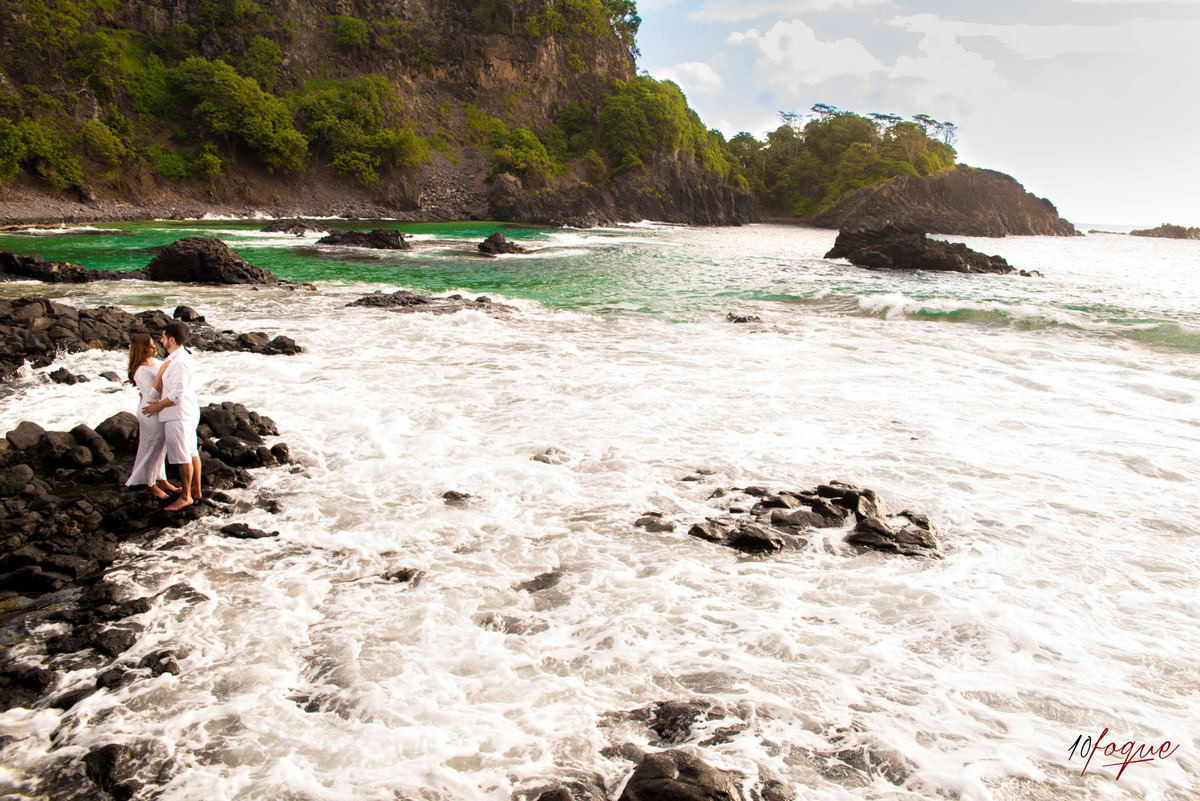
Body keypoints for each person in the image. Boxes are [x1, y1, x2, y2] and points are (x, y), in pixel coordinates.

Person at [142, 321, 202, 511]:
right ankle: (196, 490)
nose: (160, 341)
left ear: (171, 339)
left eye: (162, 337)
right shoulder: (176, 359)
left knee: (183, 455)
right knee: (191, 451)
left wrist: (156, 407)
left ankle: (186, 497)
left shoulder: (180, 361)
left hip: (179, 414)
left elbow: (177, 395)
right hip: (186, 412)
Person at [124, 333, 180, 499]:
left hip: (159, 410)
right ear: (141, 349)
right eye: (150, 345)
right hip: (150, 412)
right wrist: (163, 371)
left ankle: (161, 479)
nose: (155, 347)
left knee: (161, 446)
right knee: (152, 448)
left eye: (153, 343)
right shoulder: (140, 370)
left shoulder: (155, 362)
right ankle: (150, 484)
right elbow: (153, 394)